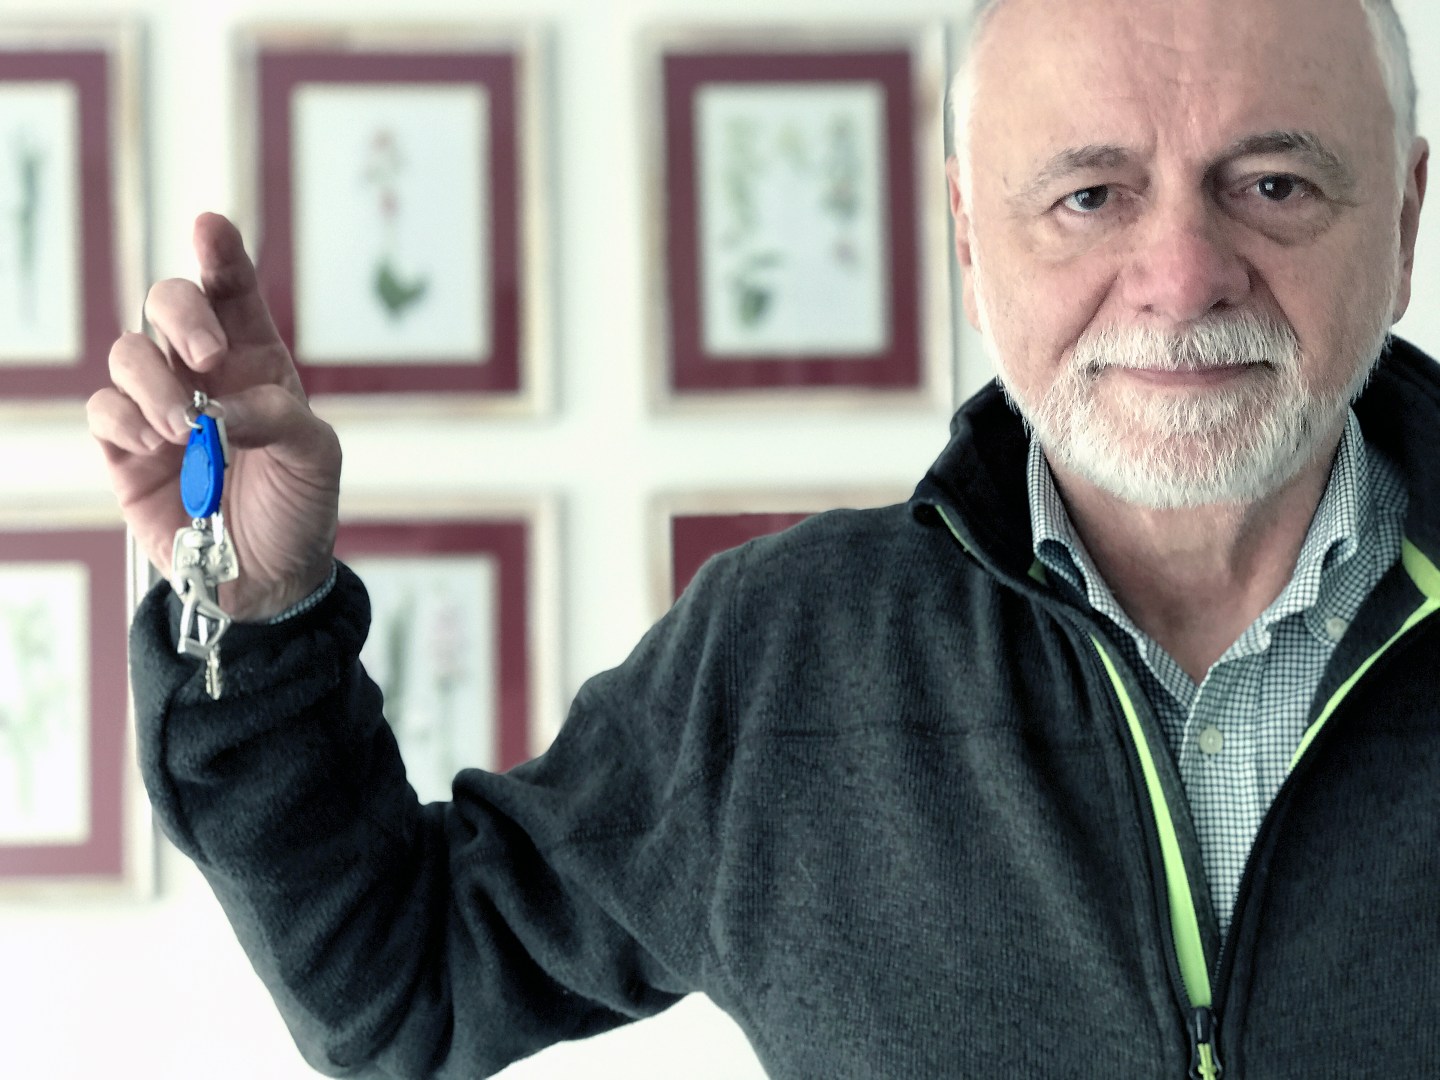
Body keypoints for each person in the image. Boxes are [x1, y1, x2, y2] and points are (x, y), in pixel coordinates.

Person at [87, 0, 1440, 1075]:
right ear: (971, 236)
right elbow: (394, 992)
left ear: (1405, 218)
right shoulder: (783, 663)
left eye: (1271, 184)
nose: (1181, 275)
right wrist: (252, 615)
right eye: (1090, 196)